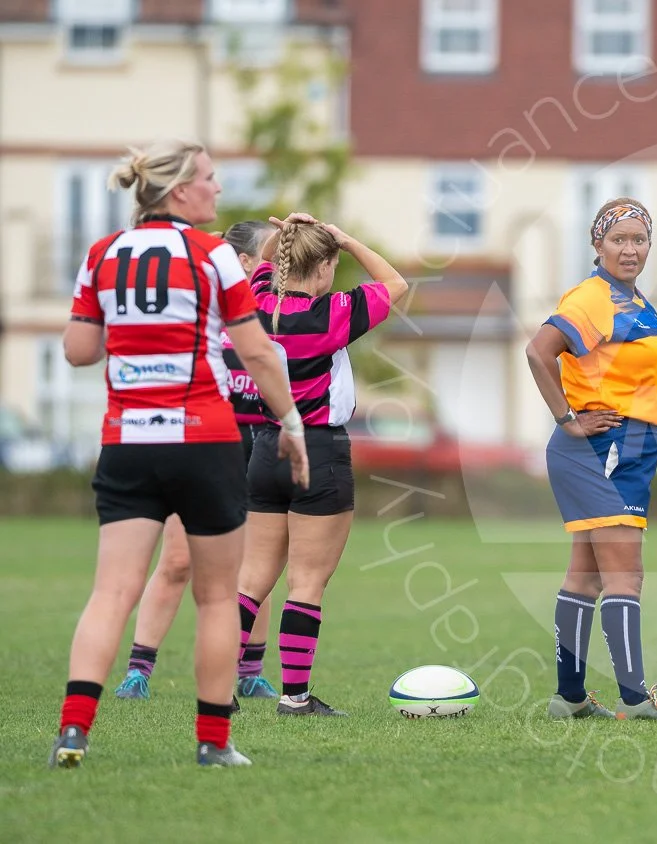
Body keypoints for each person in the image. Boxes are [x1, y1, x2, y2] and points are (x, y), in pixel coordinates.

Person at [51, 140, 309, 769]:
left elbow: (80, 352)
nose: (219, 190)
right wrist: (291, 421)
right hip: (203, 439)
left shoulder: (102, 254)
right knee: (219, 598)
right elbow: (256, 353)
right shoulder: (214, 254)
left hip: (127, 441)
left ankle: (73, 732)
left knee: (111, 593)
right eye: (211, 179)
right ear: (179, 191)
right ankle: (213, 742)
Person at [525, 197, 657, 722]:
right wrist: (566, 419)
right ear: (597, 244)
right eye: (619, 239)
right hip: (605, 447)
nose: (630, 248)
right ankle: (636, 700)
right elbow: (539, 351)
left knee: (586, 576)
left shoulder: (634, 299)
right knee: (627, 576)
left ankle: (570, 697)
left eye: (639, 239)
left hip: (627, 446)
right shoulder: (593, 296)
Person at [234, 212, 409, 717]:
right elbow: (395, 283)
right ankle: (295, 697)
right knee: (306, 583)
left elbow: (262, 268)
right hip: (319, 451)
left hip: (267, 448)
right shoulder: (332, 314)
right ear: (327, 264)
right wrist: (349, 239)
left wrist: (282, 241)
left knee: (251, 582)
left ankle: (217, 688)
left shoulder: (259, 306)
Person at [111, 220, 281, 703]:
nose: (277, 264)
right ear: (245, 262)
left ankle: (250, 671)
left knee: (256, 566)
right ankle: (138, 671)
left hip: (260, 445)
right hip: (205, 443)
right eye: (268, 255)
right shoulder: (208, 309)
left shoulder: (277, 311)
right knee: (179, 560)